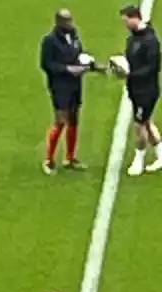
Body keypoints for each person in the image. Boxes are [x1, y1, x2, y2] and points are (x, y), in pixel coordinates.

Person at [40, 8, 99, 175]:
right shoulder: (50, 41)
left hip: (75, 85)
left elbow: (78, 56)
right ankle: (49, 160)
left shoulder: (74, 36)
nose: (70, 23)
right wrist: (67, 69)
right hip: (60, 86)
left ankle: (70, 158)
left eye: (70, 20)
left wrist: (92, 66)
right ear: (59, 22)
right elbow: (46, 64)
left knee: (73, 120)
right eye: (66, 20)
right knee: (60, 121)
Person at [120, 5, 162, 176]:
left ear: (135, 18)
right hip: (135, 89)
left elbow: (152, 67)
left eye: (127, 21)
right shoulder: (132, 40)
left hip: (147, 90)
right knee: (147, 123)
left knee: (139, 125)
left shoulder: (150, 41)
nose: (125, 25)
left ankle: (139, 161)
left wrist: (131, 74)